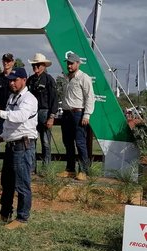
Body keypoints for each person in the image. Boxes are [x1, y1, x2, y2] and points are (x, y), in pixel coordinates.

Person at [0, 67, 38, 230]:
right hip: (12, 145)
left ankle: (22, 217)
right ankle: (5, 213)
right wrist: (2, 137)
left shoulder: (29, 99)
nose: (11, 83)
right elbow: (10, 125)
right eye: (10, 80)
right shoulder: (12, 97)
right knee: (7, 182)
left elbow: (20, 117)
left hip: (23, 146)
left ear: (24, 80)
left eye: (15, 80)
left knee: (22, 183)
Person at [57, 52, 95, 181]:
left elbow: (90, 97)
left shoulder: (84, 77)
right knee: (67, 143)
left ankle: (84, 171)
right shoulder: (66, 77)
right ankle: (70, 169)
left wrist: (87, 114)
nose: (69, 65)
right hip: (66, 113)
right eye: (68, 63)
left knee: (80, 143)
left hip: (78, 113)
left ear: (78, 63)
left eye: (72, 63)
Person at [26, 53, 58, 170]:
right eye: (34, 65)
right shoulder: (30, 80)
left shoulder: (49, 80)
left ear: (44, 66)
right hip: (32, 114)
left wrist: (51, 117)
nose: (35, 67)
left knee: (45, 142)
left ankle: (46, 168)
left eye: (38, 65)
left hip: (45, 113)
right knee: (32, 142)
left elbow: (54, 99)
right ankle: (32, 168)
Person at [0, 53, 15, 174]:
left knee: (11, 140)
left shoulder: (16, 78)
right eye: (5, 61)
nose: (6, 63)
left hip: (11, 114)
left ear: (13, 62)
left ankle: (10, 165)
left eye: (9, 61)